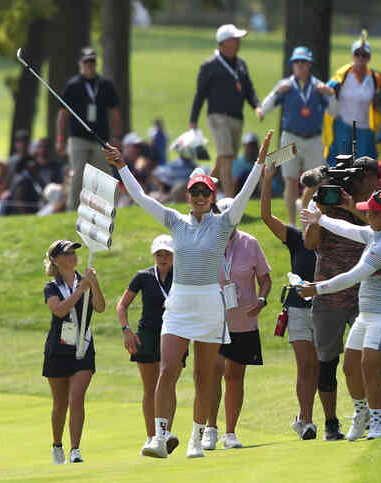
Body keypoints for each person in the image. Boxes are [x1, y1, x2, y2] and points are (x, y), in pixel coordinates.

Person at [103, 130, 273, 459]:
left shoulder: (224, 223)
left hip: (210, 303)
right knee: (168, 369)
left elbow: (245, 193)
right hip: (179, 303)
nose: (198, 197)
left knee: (203, 374)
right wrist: (122, 166)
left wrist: (259, 163)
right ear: (188, 194)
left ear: (211, 197)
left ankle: (196, 438)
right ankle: (161, 436)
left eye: (204, 192)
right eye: (194, 191)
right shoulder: (175, 221)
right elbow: (140, 197)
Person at [298, 189, 381, 441]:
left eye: (372, 211)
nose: (366, 213)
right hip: (367, 315)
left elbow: (353, 276)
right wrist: (320, 219)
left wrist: (316, 288)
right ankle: (362, 414)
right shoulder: (377, 233)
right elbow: (348, 229)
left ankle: (378, 423)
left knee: (369, 366)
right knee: (350, 368)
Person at [302, 156, 380, 441]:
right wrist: (322, 212)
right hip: (328, 294)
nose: (358, 184)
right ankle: (331, 422)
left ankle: (374, 416)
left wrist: (350, 206)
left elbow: (378, 231)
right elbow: (309, 244)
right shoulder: (322, 202)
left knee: (370, 358)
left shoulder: (370, 205)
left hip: (364, 293)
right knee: (327, 361)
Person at [203, 197, 271, 450]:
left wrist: (262, 299)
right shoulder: (207, 242)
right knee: (213, 372)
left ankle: (230, 433)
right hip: (213, 319)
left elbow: (265, 279)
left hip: (243, 320)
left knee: (234, 375)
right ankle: (210, 428)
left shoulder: (250, 243)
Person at [260, 163, 319, 440]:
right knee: (305, 366)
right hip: (297, 308)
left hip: (325, 308)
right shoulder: (295, 238)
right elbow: (266, 216)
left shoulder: (333, 237)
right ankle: (306, 419)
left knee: (320, 367)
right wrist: (268, 181)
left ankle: (307, 416)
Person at [116, 235, 184, 456]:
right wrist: (127, 330)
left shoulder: (182, 275)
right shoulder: (143, 276)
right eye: (159, 254)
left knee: (168, 383)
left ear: (174, 256)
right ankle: (151, 437)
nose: (163, 258)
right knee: (150, 388)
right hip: (147, 335)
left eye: (167, 254)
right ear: (154, 255)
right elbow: (122, 305)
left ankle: (165, 433)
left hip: (176, 333)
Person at [42, 240, 106, 464]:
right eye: (66, 253)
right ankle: (57, 445)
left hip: (83, 346)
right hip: (58, 349)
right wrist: (80, 291)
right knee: (60, 404)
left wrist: (94, 283)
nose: (72, 256)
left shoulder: (85, 280)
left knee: (76, 397)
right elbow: (59, 311)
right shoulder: (52, 287)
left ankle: (75, 449)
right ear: (56, 260)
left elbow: (99, 307)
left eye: (73, 252)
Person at [260, 46, 337, 226]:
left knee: (316, 180)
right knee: (290, 181)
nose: (300, 65)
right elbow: (264, 109)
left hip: (314, 138)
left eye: (304, 62)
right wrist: (276, 92)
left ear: (309, 64)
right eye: (297, 62)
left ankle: (303, 207)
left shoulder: (318, 86)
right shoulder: (286, 86)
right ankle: (293, 224)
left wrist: (331, 94)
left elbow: (333, 112)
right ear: (293, 65)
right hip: (290, 138)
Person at [189, 24, 262, 197]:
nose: (238, 42)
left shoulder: (241, 64)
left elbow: (248, 89)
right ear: (224, 43)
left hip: (237, 118)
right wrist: (193, 120)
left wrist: (257, 106)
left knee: (223, 160)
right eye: (235, 39)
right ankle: (230, 204)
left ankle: (200, 190)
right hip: (217, 117)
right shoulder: (209, 66)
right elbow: (200, 94)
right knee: (227, 158)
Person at [57, 47, 122, 211]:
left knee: (102, 176)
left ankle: (104, 210)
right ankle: (73, 209)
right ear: (81, 64)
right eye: (86, 62)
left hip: (100, 139)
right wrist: (60, 139)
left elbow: (115, 112)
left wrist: (117, 135)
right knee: (78, 174)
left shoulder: (105, 85)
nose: (89, 65)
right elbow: (62, 114)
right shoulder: (73, 85)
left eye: (92, 62)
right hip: (78, 138)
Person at [323, 33, 381, 164]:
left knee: (362, 168)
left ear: (369, 57)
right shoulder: (342, 75)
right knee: (340, 167)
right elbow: (326, 92)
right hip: (342, 128)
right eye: (357, 54)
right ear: (352, 55)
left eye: (364, 55)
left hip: (364, 130)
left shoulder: (375, 78)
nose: (361, 58)